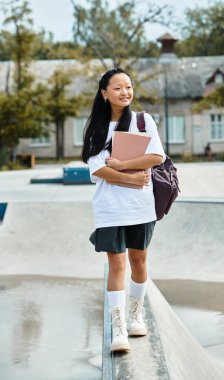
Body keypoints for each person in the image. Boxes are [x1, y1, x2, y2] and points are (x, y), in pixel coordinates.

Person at [82, 67, 165, 352]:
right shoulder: (96, 128)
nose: (125, 92)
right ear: (104, 94)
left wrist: (121, 164)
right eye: (117, 88)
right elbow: (98, 169)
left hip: (141, 206)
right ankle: (118, 329)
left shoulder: (143, 121)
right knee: (116, 264)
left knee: (139, 261)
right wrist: (129, 176)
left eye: (128, 87)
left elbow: (156, 156)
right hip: (109, 208)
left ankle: (136, 315)